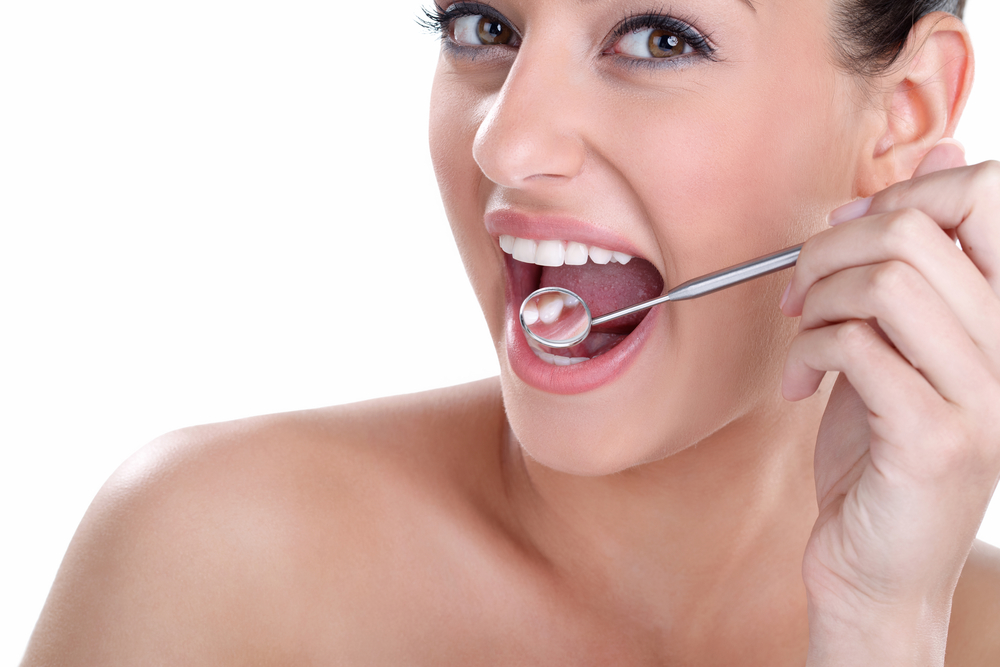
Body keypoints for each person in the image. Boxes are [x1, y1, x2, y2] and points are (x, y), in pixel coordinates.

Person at [21, 0, 1000, 664]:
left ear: (901, 116)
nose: (507, 141)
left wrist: (879, 629)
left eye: (658, 37)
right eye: (481, 25)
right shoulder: (212, 557)